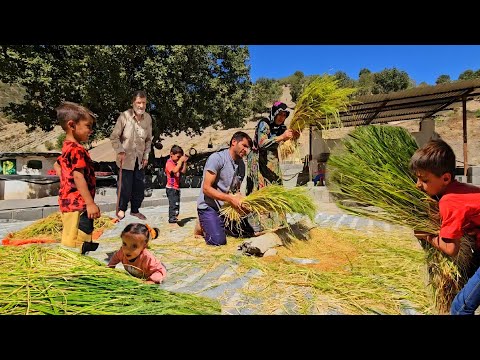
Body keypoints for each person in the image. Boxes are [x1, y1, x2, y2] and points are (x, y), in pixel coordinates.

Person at [410, 139, 480, 315]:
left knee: (459, 309)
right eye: (417, 178)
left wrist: (426, 236)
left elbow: (451, 249)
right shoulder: (459, 189)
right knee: (467, 285)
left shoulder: (449, 201)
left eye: (424, 180)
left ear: (446, 178)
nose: (418, 185)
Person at [54, 101, 101, 255]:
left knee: (70, 238)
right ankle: (75, 270)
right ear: (72, 125)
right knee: (79, 240)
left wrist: (65, 185)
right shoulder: (77, 150)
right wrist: (90, 203)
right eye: (88, 126)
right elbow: (78, 176)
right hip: (79, 206)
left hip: (69, 203)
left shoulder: (66, 147)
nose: (91, 130)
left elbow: (57, 165)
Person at [195, 131, 256, 246]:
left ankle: (217, 224)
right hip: (209, 206)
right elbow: (206, 189)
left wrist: (243, 203)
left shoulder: (242, 165)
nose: (246, 150)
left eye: (248, 148)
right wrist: (230, 199)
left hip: (225, 208)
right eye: (244, 145)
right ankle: (201, 225)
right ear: (234, 142)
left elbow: (236, 191)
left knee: (248, 232)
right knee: (218, 241)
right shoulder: (217, 158)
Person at [110, 90, 153, 221]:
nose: (141, 106)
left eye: (144, 103)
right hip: (125, 159)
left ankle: (135, 210)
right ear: (133, 102)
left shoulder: (148, 118)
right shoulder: (124, 116)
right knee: (124, 187)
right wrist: (120, 150)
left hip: (139, 160)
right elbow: (114, 137)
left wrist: (146, 156)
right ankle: (121, 209)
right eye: (139, 102)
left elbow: (148, 140)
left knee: (139, 188)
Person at [246, 101, 297, 195]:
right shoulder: (264, 124)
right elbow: (262, 143)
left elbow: (285, 143)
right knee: (259, 191)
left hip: (272, 161)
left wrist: (293, 137)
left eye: (284, 115)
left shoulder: (281, 128)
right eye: (279, 114)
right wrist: (282, 137)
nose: (282, 117)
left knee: (276, 187)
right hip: (258, 161)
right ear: (274, 113)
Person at [165, 145, 189, 224]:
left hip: (176, 187)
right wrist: (180, 162)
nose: (179, 159)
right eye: (178, 157)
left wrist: (184, 162)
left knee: (176, 203)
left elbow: (183, 171)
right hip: (171, 187)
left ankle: (175, 216)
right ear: (171, 154)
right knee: (173, 203)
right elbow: (175, 171)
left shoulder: (176, 163)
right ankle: (172, 218)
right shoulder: (169, 163)